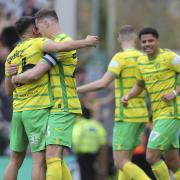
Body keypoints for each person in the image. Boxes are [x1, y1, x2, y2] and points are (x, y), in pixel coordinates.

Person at [3, 15, 98, 180]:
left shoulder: (11, 56)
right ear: (34, 29)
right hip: (35, 109)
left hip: (17, 111)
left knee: (14, 161)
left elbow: (8, 91)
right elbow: (60, 47)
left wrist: (10, 78)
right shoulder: (38, 43)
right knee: (39, 161)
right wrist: (85, 42)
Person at [77, 25, 150, 180]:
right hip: (141, 115)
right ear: (135, 39)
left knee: (119, 161)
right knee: (126, 160)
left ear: (119, 39)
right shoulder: (144, 58)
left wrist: (77, 89)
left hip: (126, 115)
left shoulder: (120, 58)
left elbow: (103, 83)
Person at [121, 27, 180, 180]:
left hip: (172, 113)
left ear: (157, 41)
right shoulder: (141, 61)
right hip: (157, 115)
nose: (147, 44)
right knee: (172, 160)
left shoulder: (169, 57)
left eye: (151, 41)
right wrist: (128, 95)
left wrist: (175, 92)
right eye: (144, 41)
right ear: (140, 43)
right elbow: (140, 85)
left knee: (151, 156)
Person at [72, 106, 107, 180]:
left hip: (82, 155)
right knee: (92, 172)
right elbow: (103, 140)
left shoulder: (79, 125)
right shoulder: (96, 125)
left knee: (83, 173)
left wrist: (74, 150)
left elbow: (75, 139)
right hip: (94, 154)